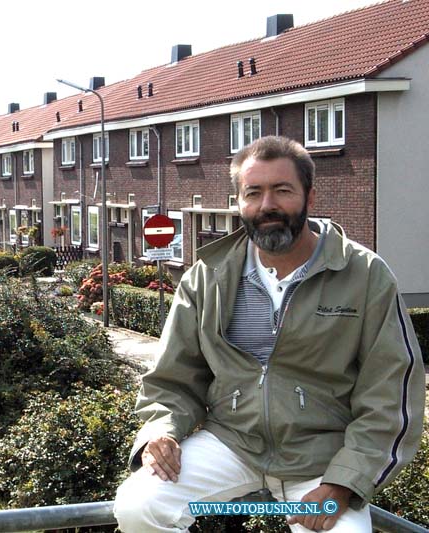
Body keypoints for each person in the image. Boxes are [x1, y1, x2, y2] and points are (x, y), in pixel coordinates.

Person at [113, 136, 425, 532]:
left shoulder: (364, 275)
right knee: (139, 505)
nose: (267, 206)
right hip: (231, 443)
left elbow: (391, 394)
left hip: (322, 457)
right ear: (238, 203)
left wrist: (344, 482)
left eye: (282, 191)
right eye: (253, 193)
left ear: (310, 198)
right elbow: (172, 377)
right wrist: (161, 432)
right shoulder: (209, 276)